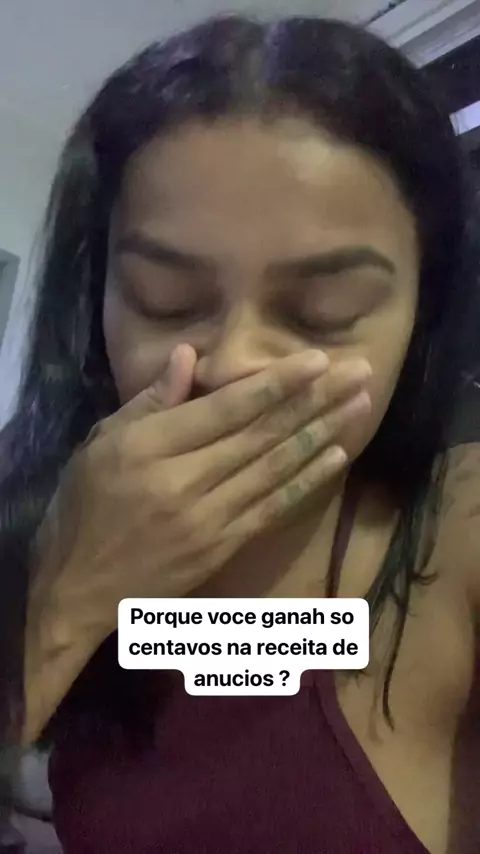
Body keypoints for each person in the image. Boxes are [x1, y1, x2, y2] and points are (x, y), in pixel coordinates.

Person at [0, 13, 479, 854]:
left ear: (420, 317)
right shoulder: (33, 511)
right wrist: (64, 603)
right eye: (166, 301)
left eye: (322, 312)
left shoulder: (461, 524)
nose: (234, 364)